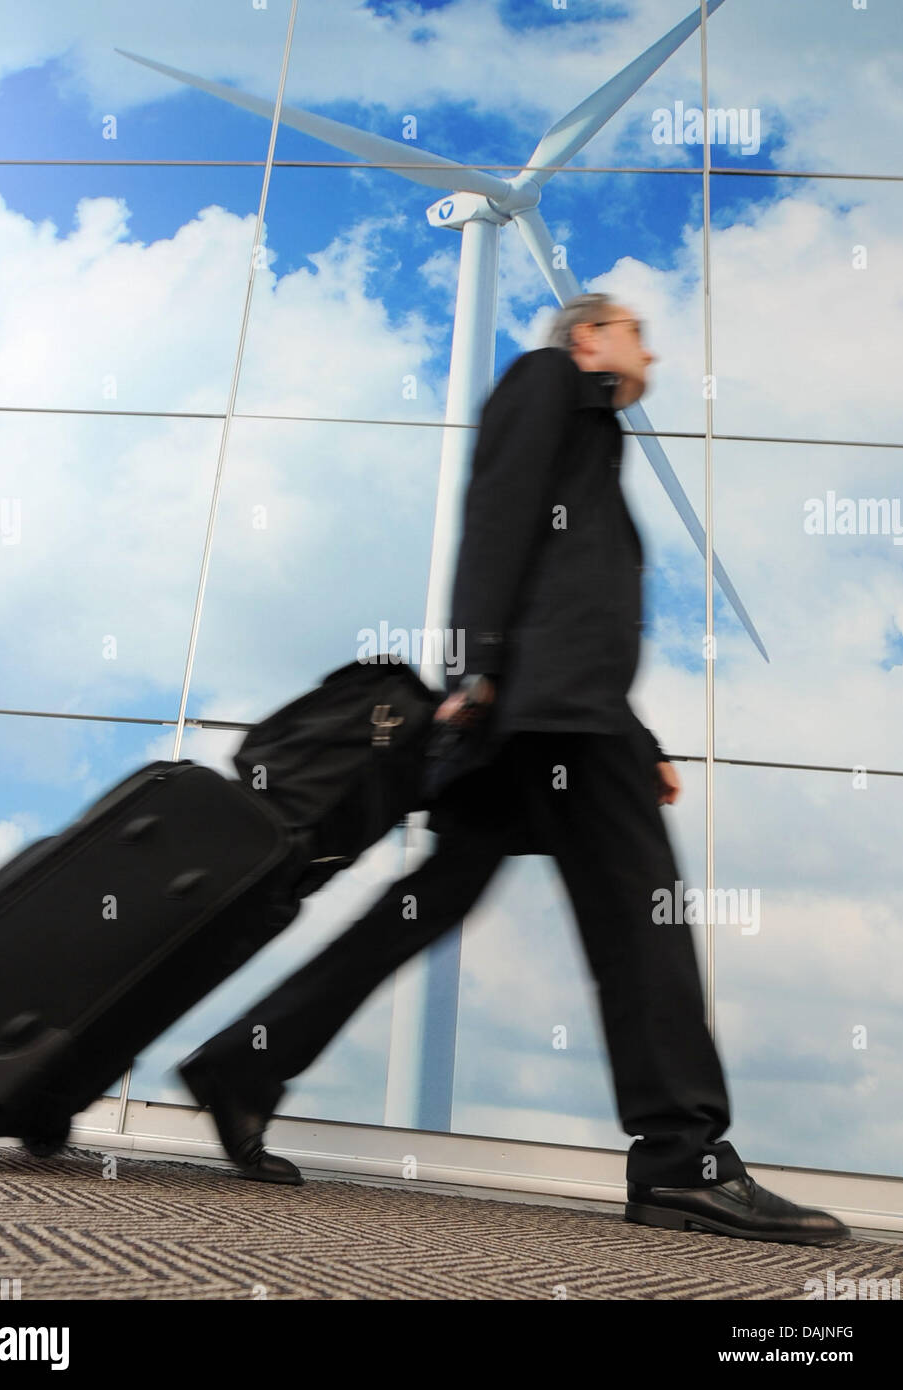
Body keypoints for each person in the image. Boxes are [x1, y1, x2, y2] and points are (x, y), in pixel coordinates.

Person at [179, 293, 847, 1246]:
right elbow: (493, 516)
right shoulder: (546, 382)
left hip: (559, 715)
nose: (648, 350)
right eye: (634, 333)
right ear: (587, 338)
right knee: (641, 921)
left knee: (431, 904)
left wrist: (633, 734)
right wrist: (475, 665)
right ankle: (681, 1163)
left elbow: (566, 593)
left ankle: (246, 1064)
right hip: (545, 718)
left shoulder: (593, 430)